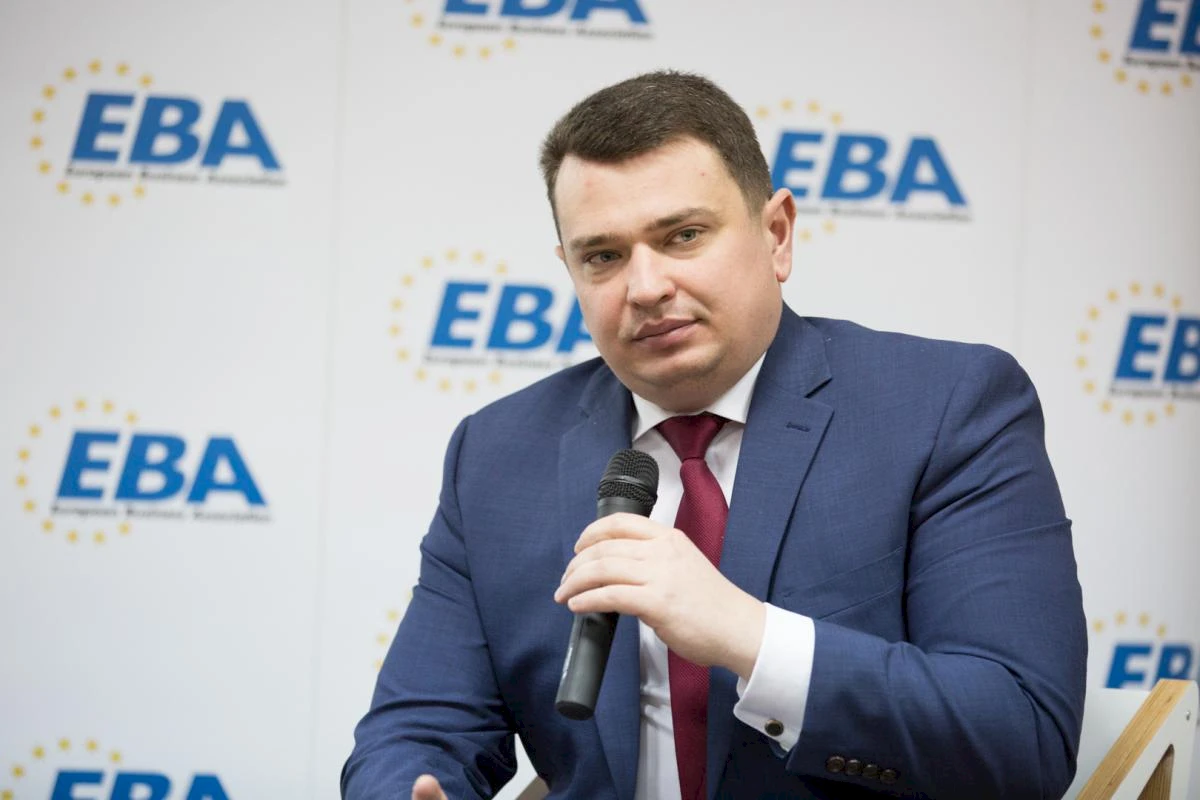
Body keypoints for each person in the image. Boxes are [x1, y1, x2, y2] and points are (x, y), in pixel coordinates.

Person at [342, 70, 1087, 800]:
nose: (645, 287)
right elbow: (419, 726)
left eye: (684, 236)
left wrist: (747, 635)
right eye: (603, 256)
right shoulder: (498, 454)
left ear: (777, 235)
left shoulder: (945, 409)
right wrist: (409, 789)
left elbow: (1020, 737)